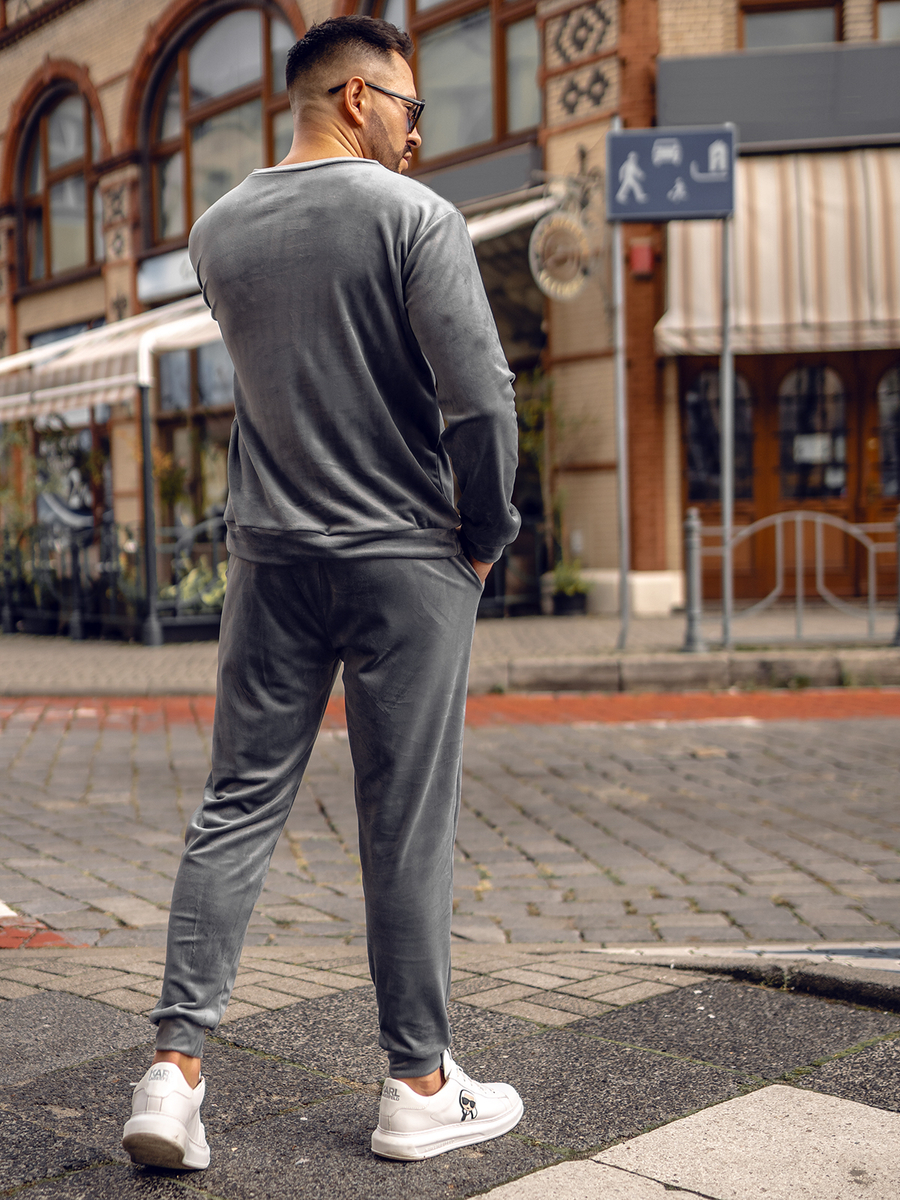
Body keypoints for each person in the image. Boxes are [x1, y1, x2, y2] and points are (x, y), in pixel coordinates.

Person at [122, 15, 523, 1169]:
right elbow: (481, 399)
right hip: (405, 557)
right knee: (404, 820)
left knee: (237, 800)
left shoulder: (215, 232)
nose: (416, 133)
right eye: (409, 107)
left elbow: (283, 380)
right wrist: (486, 534)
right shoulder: (415, 218)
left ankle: (172, 1074)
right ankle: (418, 1085)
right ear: (355, 98)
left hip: (272, 557)